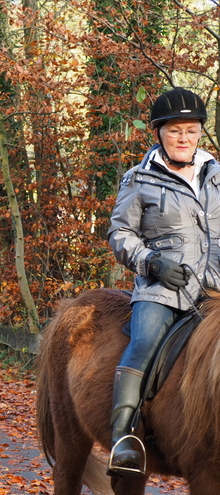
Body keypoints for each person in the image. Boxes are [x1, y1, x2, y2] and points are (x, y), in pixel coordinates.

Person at [107, 87, 220, 476]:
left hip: (215, 290)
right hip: (163, 289)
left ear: (200, 132)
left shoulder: (217, 175)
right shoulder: (138, 179)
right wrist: (152, 263)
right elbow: (120, 234)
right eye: (175, 131)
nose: (183, 138)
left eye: (190, 130)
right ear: (159, 133)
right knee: (143, 343)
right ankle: (123, 438)